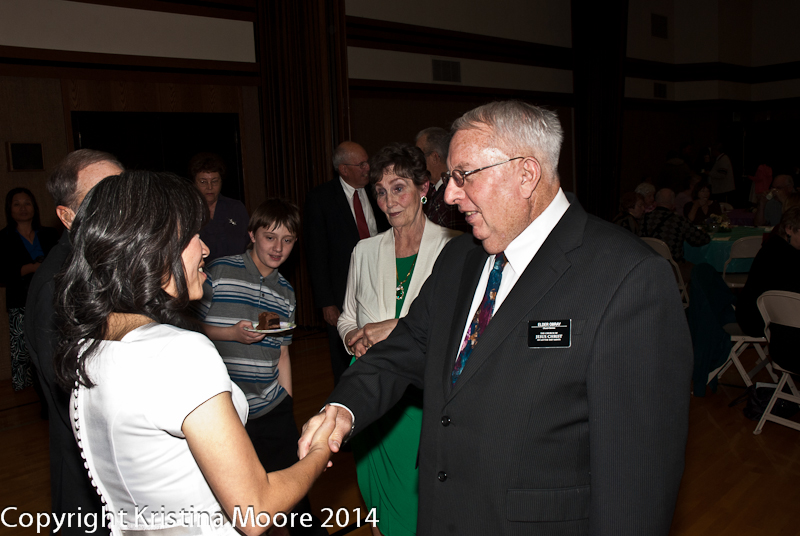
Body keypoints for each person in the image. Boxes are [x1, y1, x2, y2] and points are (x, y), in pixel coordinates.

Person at [300, 101, 692, 535]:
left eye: (464, 175)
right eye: (451, 177)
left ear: (526, 174)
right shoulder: (459, 257)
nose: (449, 195)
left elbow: (636, 482)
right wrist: (344, 408)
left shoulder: (628, 278)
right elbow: (406, 347)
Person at [54, 171, 336, 535]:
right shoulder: (180, 352)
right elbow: (254, 511)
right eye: (192, 236)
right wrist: (320, 450)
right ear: (153, 247)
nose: (205, 248)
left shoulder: (90, 346)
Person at [337, 143, 460, 536]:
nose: (388, 202)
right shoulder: (364, 250)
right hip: (369, 388)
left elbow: (458, 327)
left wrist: (392, 327)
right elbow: (347, 317)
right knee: (376, 499)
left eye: (398, 188)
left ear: (423, 188)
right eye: (380, 192)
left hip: (418, 395)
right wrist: (352, 336)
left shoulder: (455, 248)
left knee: (415, 501)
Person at [197, 198, 326, 536]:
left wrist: (287, 399)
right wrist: (231, 333)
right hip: (223, 413)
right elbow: (190, 331)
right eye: (270, 237)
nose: (278, 247)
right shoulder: (219, 272)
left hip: (271, 408)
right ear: (252, 234)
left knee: (296, 502)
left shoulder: (286, 293)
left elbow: (283, 352)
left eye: (287, 240)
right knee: (236, 505)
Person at [25, 149, 123, 536]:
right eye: (102, 196)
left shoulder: (106, 264)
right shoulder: (59, 285)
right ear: (67, 217)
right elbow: (76, 398)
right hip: (91, 489)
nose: (120, 204)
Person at [304, 141, 389, 385]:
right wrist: (326, 302)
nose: (367, 168)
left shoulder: (377, 192)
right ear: (343, 169)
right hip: (340, 290)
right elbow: (316, 254)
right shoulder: (320, 198)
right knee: (343, 350)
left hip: (379, 282)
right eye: (361, 164)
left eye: (367, 162)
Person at [1, 188, 58, 391]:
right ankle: (29, 391)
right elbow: (3, 273)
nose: (23, 208)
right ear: (9, 209)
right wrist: (30, 268)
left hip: (52, 299)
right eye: (17, 204)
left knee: (53, 345)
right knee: (25, 349)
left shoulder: (51, 234)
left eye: (27, 203)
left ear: (34, 207)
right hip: (21, 300)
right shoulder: (4, 238)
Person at [736, 206, 800, 337]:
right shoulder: (781, 254)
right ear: (789, 229)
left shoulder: (774, 245)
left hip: (759, 316)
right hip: (759, 320)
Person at [189, 152, 250, 262]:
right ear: (194, 183)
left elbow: (250, 245)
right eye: (203, 182)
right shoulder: (188, 212)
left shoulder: (236, 208)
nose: (210, 187)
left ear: (221, 182)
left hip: (237, 269)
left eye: (214, 181)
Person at [415, 127, 470, 233]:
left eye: (420, 156)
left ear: (435, 157)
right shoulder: (431, 190)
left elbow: (458, 236)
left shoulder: (454, 192)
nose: (416, 162)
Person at [641, 188, 711, 262]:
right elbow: (700, 239)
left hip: (647, 262)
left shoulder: (644, 218)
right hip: (671, 264)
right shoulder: (678, 220)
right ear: (673, 203)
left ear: (656, 202)